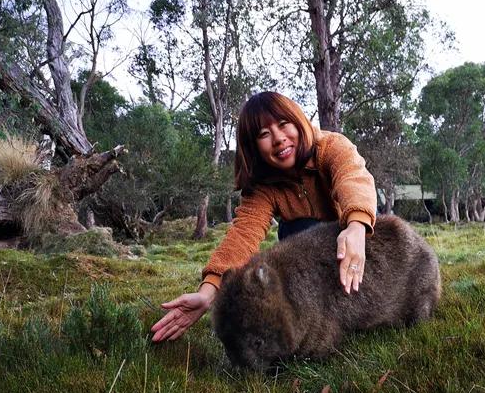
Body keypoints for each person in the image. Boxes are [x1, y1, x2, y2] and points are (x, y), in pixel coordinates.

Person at [151, 91, 377, 342]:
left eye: (283, 125)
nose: (278, 139)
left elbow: (353, 178)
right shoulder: (263, 187)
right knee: (299, 228)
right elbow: (242, 237)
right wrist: (208, 291)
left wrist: (356, 225)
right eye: (263, 134)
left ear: (298, 121)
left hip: (347, 238)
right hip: (304, 250)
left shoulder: (331, 146)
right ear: (254, 145)